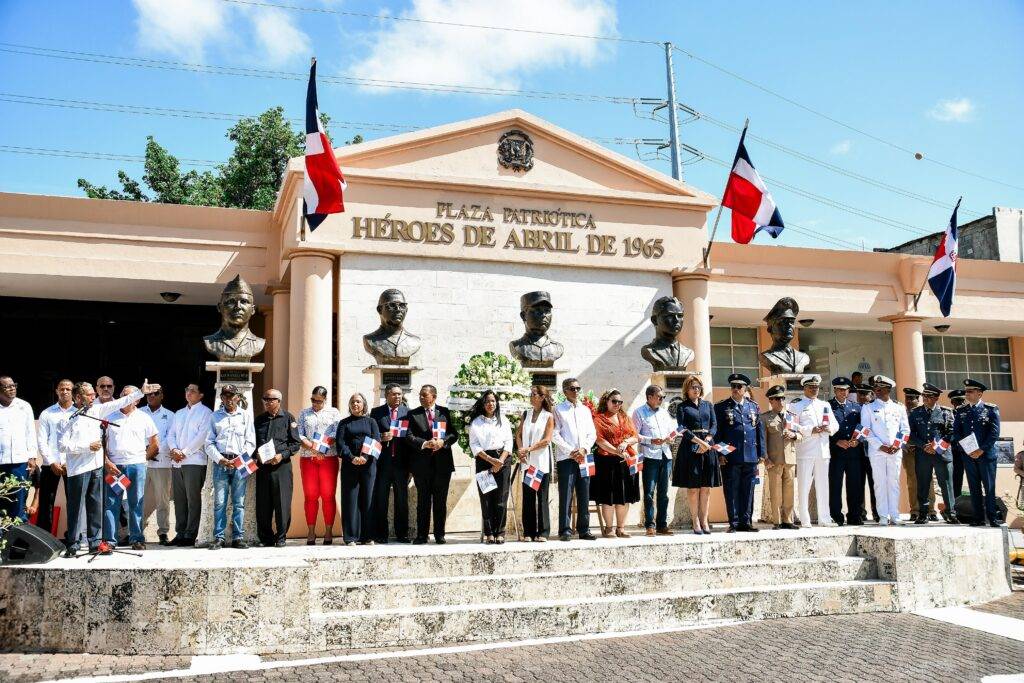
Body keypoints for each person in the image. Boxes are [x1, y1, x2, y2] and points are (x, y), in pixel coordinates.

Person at [57, 379, 157, 557]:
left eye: (93, 394)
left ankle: (96, 543)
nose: (93, 397)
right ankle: (73, 543)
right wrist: (87, 447)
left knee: (96, 507)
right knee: (78, 507)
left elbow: (121, 402)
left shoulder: (97, 410)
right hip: (79, 469)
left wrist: (141, 392)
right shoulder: (67, 418)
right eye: (89, 395)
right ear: (78, 397)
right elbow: (62, 445)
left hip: (96, 467)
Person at [102, 386, 158, 552]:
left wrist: (142, 460)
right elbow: (102, 444)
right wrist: (107, 462)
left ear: (137, 400)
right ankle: (110, 541)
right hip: (115, 468)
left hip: (136, 466)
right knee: (112, 504)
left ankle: (137, 539)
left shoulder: (144, 417)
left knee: (136, 503)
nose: (126, 399)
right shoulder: (109, 416)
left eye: (130, 396)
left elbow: (154, 443)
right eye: (123, 395)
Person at [405, 385, 458, 544]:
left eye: (424, 395)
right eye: (420, 395)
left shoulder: (444, 412)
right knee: (423, 501)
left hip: (442, 465)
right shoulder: (413, 414)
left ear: (433, 397)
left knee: (440, 501)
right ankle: (422, 535)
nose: (421, 397)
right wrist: (424, 443)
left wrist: (443, 441)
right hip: (422, 466)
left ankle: (439, 534)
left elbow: (454, 434)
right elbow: (409, 436)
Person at [205, 385, 255, 550]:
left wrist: (240, 459)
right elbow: (209, 443)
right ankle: (219, 537)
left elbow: (250, 442)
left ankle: (238, 537)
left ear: (238, 397)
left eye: (232, 396)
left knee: (239, 502)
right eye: (225, 396)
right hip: (221, 463)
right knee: (220, 502)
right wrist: (220, 459)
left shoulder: (245, 416)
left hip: (240, 462)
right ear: (222, 398)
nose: (229, 399)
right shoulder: (215, 417)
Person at [714, 374, 766, 533]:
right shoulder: (721, 407)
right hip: (731, 456)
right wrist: (721, 454)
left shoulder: (753, 406)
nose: (735, 389)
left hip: (751, 455)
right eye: (733, 386)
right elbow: (717, 432)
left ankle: (746, 522)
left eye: (739, 387)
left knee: (748, 490)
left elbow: (759, 431)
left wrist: (761, 453)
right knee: (731, 490)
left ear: (745, 389)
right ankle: (734, 522)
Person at [551, 377, 598, 542]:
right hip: (566, 457)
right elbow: (554, 434)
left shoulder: (585, 410)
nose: (576, 391)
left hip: (585, 456)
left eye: (578, 388)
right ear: (565, 391)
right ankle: (565, 529)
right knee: (566, 494)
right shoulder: (558, 409)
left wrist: (584, 449)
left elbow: (592, 433)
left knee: (584, 493)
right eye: (572, 388)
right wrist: (571, 451)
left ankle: (584, 529)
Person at [860, 375, 909, 526]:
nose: (877, 390)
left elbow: (905, 429)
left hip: (895, 451)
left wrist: (897, 445)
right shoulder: (868, 407)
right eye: (876, 388)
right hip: (877, 451)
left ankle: (894, 515)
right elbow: (866, 430)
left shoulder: (899, 407)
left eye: (880, 388)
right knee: (879, 483)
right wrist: (880, 446)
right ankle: (882, 515)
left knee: (893, 482)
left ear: (888, 389)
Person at [167, 383, 213, 547]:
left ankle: (191, 533)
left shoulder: (206, 412)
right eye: (187, 390)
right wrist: (174, 449)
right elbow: (171, 434)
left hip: (194, 461)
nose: (189, 393)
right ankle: (180, 532)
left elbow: (202, 437)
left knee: (193, 499)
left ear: (201, 395)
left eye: (193, 391)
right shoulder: (179, 413)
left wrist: (184, 452)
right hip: (177, 461)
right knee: (179, 500)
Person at [592, 389, 640, 538]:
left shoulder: (625, 417)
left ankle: (621, 528)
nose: (617, 404)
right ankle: (609, 528)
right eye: (614, 401)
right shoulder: (599, 419)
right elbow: (600, 440)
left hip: (626, 460)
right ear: (606, 401)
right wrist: (616, 451)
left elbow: (635, 436)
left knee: (624, 495)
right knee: (609, 496)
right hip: (606, 461)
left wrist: (626, 442)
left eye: (620, 402)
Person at [254, 389, 300, 547]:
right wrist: (256, 455)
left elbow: (295, 443)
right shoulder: (259, 420)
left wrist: (282, 455)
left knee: (282, 503)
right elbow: (253, 443)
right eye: (265, 399)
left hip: (281, 467)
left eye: (270, 399)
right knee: (263, 504)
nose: (267, 402)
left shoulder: (288, 418)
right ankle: (265, 538)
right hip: (263, 467)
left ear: (279, 401)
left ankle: (281, 537)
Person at [791, 375, 838, 527]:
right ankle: (805, 519)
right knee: (804, 485)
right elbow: (792, 426)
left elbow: (835, 425)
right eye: (811, 387)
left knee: (823, 485)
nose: (814, 389)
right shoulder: (796, 405)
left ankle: (825, 518)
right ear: (804, 388)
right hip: (805, 450)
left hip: (823, 450)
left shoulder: (825, 405)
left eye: (816, 387)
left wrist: (829, 428)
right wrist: (810, 429)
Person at [673, 375, 718, 534]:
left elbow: (714, 425)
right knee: (693, 488)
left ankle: (704, 520)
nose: (696, 390)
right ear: (687, 389)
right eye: (693, 387)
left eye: (698, 387)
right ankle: (695, 521)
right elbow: (682, 428)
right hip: (690, 447)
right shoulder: (682, 407)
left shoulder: (708, 405)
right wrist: (700, 442)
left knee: (706, 487)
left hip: (708, 446)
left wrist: (708, 440)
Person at [953, 379, 1001, 527]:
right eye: (966, 391)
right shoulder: (961, 410)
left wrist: (981, 450)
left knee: (989, 487)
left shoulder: (991, 409)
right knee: (974, 488)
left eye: (970, 391)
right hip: (969, 456)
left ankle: (992, 518)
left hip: (986, 455)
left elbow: (994, 433)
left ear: (979, 394)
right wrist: (967, 449)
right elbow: (957, 432)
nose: (967, 394)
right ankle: (978, 518)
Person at [298, 386, 342, 545]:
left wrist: (321, 448)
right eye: (313, 400)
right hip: (308, 458)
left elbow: (336, 432)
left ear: (325, 399)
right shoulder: (304, 413)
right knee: (310, 496)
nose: (315, 403)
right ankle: (311, 531)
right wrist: (312, 447)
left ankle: (328, 531)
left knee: (328, 495)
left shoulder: (334, 412)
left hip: (328, 457)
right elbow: (299, 434)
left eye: (318, 401)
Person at [468, 390, 514, 544]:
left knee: (501, 497)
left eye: (493, 401)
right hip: (484, 460)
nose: (490, 404)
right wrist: (490, 460)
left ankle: (500, 532)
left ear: (497, 403)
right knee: (486, 497)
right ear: (483, 403)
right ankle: (489, 533)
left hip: (503, 459)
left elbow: (509, 442)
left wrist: (500, 461)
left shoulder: (503, 420)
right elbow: (474, 444)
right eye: (487, 401)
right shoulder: (476, 422)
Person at [909, 383, 958, 525]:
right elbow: (910, 434)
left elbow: (952, 432)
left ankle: (951, 513)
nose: (925, 398)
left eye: (929, 396)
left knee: (946, 484)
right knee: (923, 484)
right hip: (923, 453)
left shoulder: (946, 412)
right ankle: (923, 514)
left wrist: (936, 446)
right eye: (924, 396)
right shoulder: (915, 412)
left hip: (941, 454)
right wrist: (923, 445)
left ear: (936, 398)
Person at [369, 384, 411, 544]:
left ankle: (402, 534)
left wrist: (411, 467)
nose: (398, 397)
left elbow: (410, 439)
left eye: (400, 394)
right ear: (386, 395)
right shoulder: (376, 412)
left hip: (402, 464)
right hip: (383, 464)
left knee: (402, 500)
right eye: (394, 394)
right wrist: (380, 436)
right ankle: (381, 534)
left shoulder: (407, 412)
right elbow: (370, 436)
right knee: (381, 500)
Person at [632, 384, 675, 536]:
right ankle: (650, 525)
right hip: (650, 456)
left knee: (664, 492)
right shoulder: (639, 412)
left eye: (663, 397)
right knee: (649, 492)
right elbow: (634, 435)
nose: (662, 399)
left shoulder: (664, 412)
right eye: (659, 397)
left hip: (665, 455)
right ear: (649, 397)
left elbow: (671, 430)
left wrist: (671, 437)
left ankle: (662, 525)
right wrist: (651, 440)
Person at [337, 393, 380, 545]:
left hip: (368, 465)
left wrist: (365, 457)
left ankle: (368, 536)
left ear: (363, 404)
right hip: (350, 465)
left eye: (358, 401)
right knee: (350, 499)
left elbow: (376, 440)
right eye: (353, 401)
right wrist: (352, 457)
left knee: (368, 498)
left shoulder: (371, 422)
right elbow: (340, 444)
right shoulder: (344, 423)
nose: (355, 404)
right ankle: (351, 537)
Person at [36, 379, 75, 534]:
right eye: (61, 389)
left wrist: (69, 461)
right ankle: (44, 537)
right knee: (46, 502)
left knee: (74, 502)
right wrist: (52, 462)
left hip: (72, 464)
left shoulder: (78, 412)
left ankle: (73, 537)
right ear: (57, 391)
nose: (64, 392)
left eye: (68, 389)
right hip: (50, 464)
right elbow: (42, 440)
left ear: (73, 392)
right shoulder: (47, 413)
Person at [517, 385, 554, 542]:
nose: (531, 397)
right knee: (528, 497)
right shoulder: (526, 414)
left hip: (541, 462)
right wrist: (521, 450)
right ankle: (529, 532)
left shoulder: (548, 416)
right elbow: (518, 435)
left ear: (541, 397)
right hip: (528, 463)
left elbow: (547, 440)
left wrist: (529, 449)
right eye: (531, 394)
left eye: (534, 394)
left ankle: (543, 532)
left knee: (542, 497)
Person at [761, 385, 799, 529]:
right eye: (777, 399)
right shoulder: (765, 417)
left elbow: (800, 435)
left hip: (790, 458)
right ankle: (777, 521)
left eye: (783, 398)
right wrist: (765, 458)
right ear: (771, 401)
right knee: (775, 491)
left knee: (789, 491)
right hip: (774, 459)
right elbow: (763, 440)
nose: (781, 401)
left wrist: (794, 435)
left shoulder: (791, 416)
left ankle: (788, 520)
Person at [141, 387, 175, 545]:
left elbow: (171, 437)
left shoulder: (170, 415)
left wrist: (155, 449)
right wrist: (145, 450)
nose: (152, 396)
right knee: (138, 498)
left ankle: (163, 532)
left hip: (162, 462)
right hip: (141, 460)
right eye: (149, 393)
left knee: (163, 499)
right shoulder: (139, 412)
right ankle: (137, 531)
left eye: (155, 393)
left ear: (162, 395)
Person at [0, 375, 37, 523]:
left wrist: (32, 457)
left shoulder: (24, 406)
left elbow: (30, 432)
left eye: (13, 385)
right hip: (1, 462)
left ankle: (18, 531)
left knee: (18, 499)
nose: (12, 389)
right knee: (2, 500)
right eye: (7, 386)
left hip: (20, 461)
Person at [828, 377, 864, 526]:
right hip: (836, 452)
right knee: (835, 485)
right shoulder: (828, 406)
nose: (843, 392)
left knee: (854, 485)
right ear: (835, 390)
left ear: (849, 391)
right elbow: (826, 428)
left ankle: (854, 515)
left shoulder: (856, 407)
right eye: (840, 390)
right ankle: (836, 515)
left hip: (853, 452)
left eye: (846, 390)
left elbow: (863, 426)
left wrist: (858, 440)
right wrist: (836, 441)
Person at [902, 387, 936, 523]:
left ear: (918, 400)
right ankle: (915, 510)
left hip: (923, 450)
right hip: (908, 451)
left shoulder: (923, 411)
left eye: (912, 398)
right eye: (907, 398)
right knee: (912, 480)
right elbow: (898, 431)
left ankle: (931, 510)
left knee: (928, 480)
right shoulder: (900, 412)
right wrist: (904, 445)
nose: (909, 401)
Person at [854, 383, 880, 523]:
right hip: (858, 452)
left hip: (874, 451)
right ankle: (860, 512)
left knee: (875, 483)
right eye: (860, 394)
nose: (862, 397)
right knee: (858, 484)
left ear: (872, 395)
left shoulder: (876, 409)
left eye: (865, 394)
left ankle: (877, 512)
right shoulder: (854, 409)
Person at [948, 388, 967, 496]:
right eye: (958, 401)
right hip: (955, 452)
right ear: (952, 402)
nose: (962, 403)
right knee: (956, 478)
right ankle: (956, 502)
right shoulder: (948, 415)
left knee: (975, 478)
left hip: (971, 451)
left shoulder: (970, 413)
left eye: (963, 400)